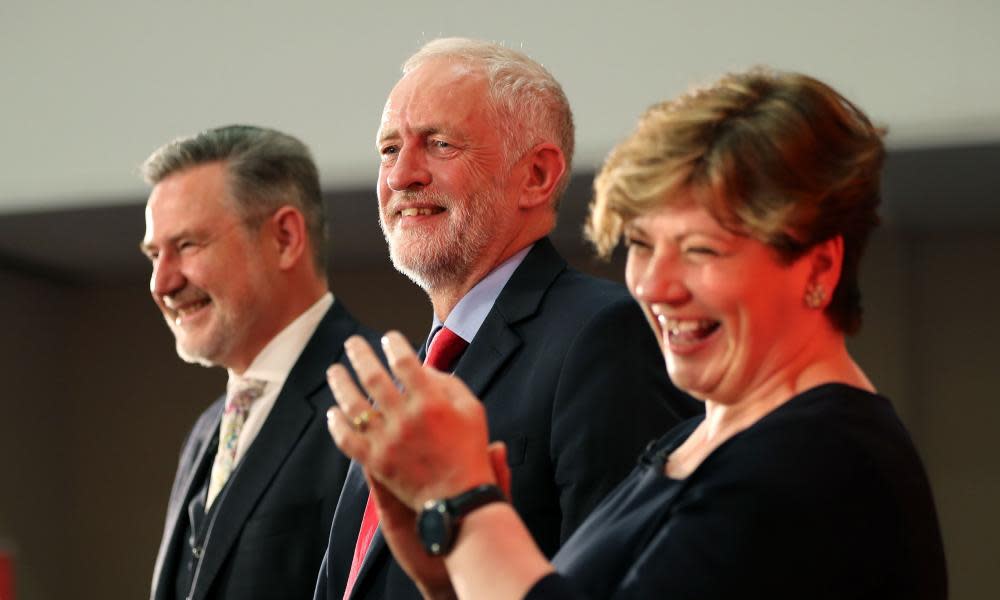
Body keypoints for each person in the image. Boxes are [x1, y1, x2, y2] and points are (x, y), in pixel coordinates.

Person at [325, 68, 948, 599]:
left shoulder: (824, 461)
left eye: (702, 250)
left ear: (819, 267)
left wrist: (465, 505)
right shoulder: (696, 440)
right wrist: (443, 576)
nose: (656, 285)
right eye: (643, 244)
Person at [313, 38, 698, 600]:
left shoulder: (602, 337)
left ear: (537, 175)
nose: (402, 176)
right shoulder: (404, 380)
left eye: (439, 144)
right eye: (389, 149)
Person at [141, 125, 381, 600]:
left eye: (187, 245)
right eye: (154, 254)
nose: (161, 282)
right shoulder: (207, 430)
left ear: (286, 237)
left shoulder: (378, 397)